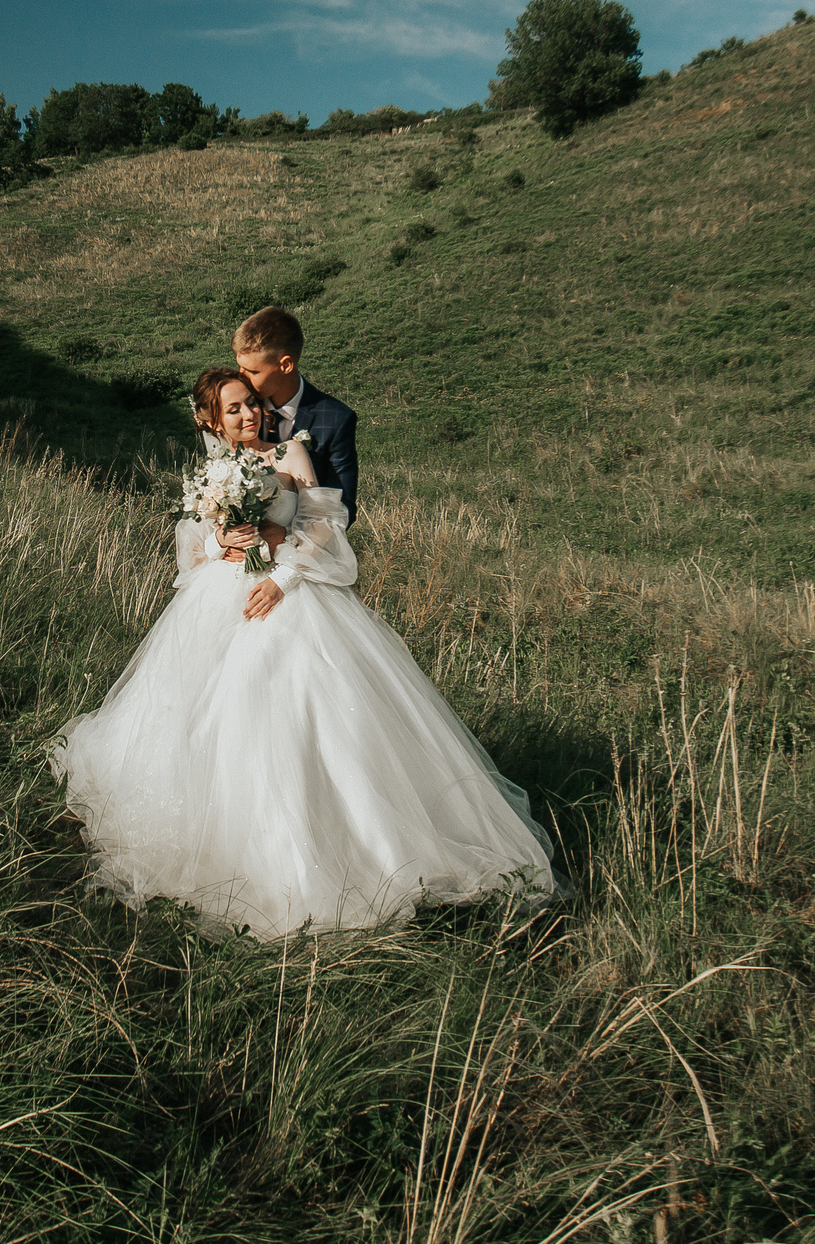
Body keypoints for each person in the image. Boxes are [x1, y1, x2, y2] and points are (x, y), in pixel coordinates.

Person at [49, 367, 555, 937]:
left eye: (252, 404)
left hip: (289, 593)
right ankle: (234, 839)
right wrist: (223, 540)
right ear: (208, 420)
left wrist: (282, 578)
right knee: (215, 716)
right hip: (221, 598)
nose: (248, 416)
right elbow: (191, 552)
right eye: (234, 409)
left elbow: (327, 528)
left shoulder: (291, 454)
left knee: (313, 704)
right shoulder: (211, 474)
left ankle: (368, 842)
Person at [234, 305, 358, 525]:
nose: (241, 378)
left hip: (306, 547)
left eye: (252, 371)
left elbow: (344, 506)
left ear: (286, 365)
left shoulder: (336, 419)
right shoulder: (237, 409)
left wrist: (294, 542)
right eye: (240, 368)